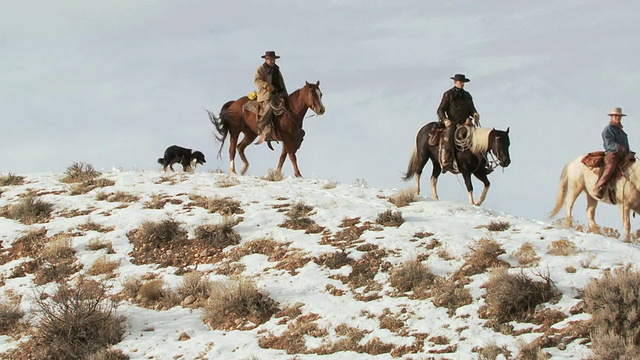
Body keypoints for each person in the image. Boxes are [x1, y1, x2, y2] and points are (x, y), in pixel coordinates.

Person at [436, 74, 480, 173]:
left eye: (463, 82)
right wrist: (445, 120)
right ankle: (446, 161)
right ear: (455, 82)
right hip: (452, 123)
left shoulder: (467, 95)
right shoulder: (448, 94)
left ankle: (481, 162)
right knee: (448, 138)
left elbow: (472, 108)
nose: (462, 84)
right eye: (460, 82)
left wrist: (475, 114)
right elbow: (440, 109)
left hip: (466, 123)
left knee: (478, 137)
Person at [594, 107, 630, 199]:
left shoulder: (622, 132)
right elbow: (608, 143)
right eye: (616, 116)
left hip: (623, 155)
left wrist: (628, 152)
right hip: (612, 154)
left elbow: (626, 145)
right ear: (612, 117)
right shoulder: (608, 129)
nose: (618, 118)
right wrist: (619, 147)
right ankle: (599, 187)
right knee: (611, 167)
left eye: (619, 116)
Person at [254, 50, 288, 145]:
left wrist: (285, 93)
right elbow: (256, 80)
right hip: (266, 94)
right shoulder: (261, 69)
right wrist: (267, 86)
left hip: (278, 94)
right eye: (270, 59)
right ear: (266, 59)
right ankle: (261, 126)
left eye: (273, 59)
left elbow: (281, 82)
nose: (272, 61)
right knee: (269, 107)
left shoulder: (277, 69)